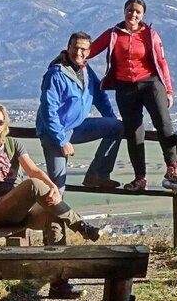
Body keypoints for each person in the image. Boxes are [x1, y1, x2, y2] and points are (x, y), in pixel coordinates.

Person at [0, 103, 99, 299]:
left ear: (4, 126)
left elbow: (33, 170)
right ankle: (80, 225)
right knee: (32, 185)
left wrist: (53, 187)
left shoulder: (13, 145)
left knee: (53, 216)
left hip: (21, 211)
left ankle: (59, 283)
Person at [89, 0, 177, 191]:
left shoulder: (150, 34)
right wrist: (67, 56)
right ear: (124, 11)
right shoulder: (113, 34)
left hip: (150, 83)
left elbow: (162, 62)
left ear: (143, 15)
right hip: (125, 88)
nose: (133, 14)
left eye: (138, 11)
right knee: (134, 131)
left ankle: (173, 166)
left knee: (163, 122)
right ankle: (140, 178)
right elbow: (90, 50)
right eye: (130, 10)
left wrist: (169, 90)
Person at [35, 31, 124, 195]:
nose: (78, 52)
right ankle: (52, 212)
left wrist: (109, 118)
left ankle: (97, 175)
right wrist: (62, 141)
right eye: (75, 48)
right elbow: (49, 110)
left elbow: (99, 95)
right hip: (54, 133)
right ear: (68, 47)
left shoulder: (85, 70)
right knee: (57, 187)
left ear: (89, 52)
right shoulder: (56, 74)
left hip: (77, 126)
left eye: (83, 49)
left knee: (116, 127)